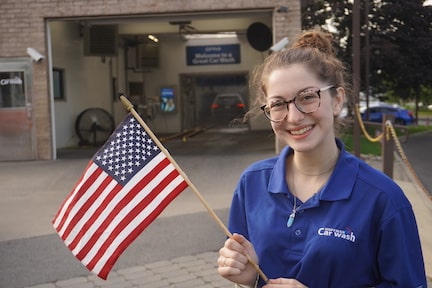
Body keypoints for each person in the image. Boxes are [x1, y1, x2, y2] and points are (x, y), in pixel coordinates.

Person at [217, 29, 426, 288]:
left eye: (307, 97)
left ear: (337, 99)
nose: (293, 117)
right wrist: (248, 279)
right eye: (279, 104)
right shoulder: (252, 184)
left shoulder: (383, 199)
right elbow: (252, 272)